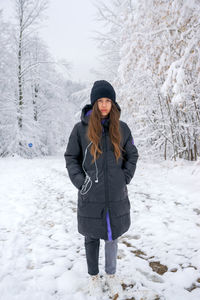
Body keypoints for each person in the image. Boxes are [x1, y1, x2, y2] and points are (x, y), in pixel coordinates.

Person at [64, 80, 139, 299]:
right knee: (91, 236)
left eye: (108, 101)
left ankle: (111, 274)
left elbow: (132, 154)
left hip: (116, 195)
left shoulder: (122, 128)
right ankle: (93, 277)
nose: (104, 105)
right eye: (100, 101)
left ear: (113, 103)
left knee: (112, 236)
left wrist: (124, 177)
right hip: (90, 195)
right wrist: (80, 182)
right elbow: (71, 158)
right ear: (94, 103)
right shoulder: (80, 130)